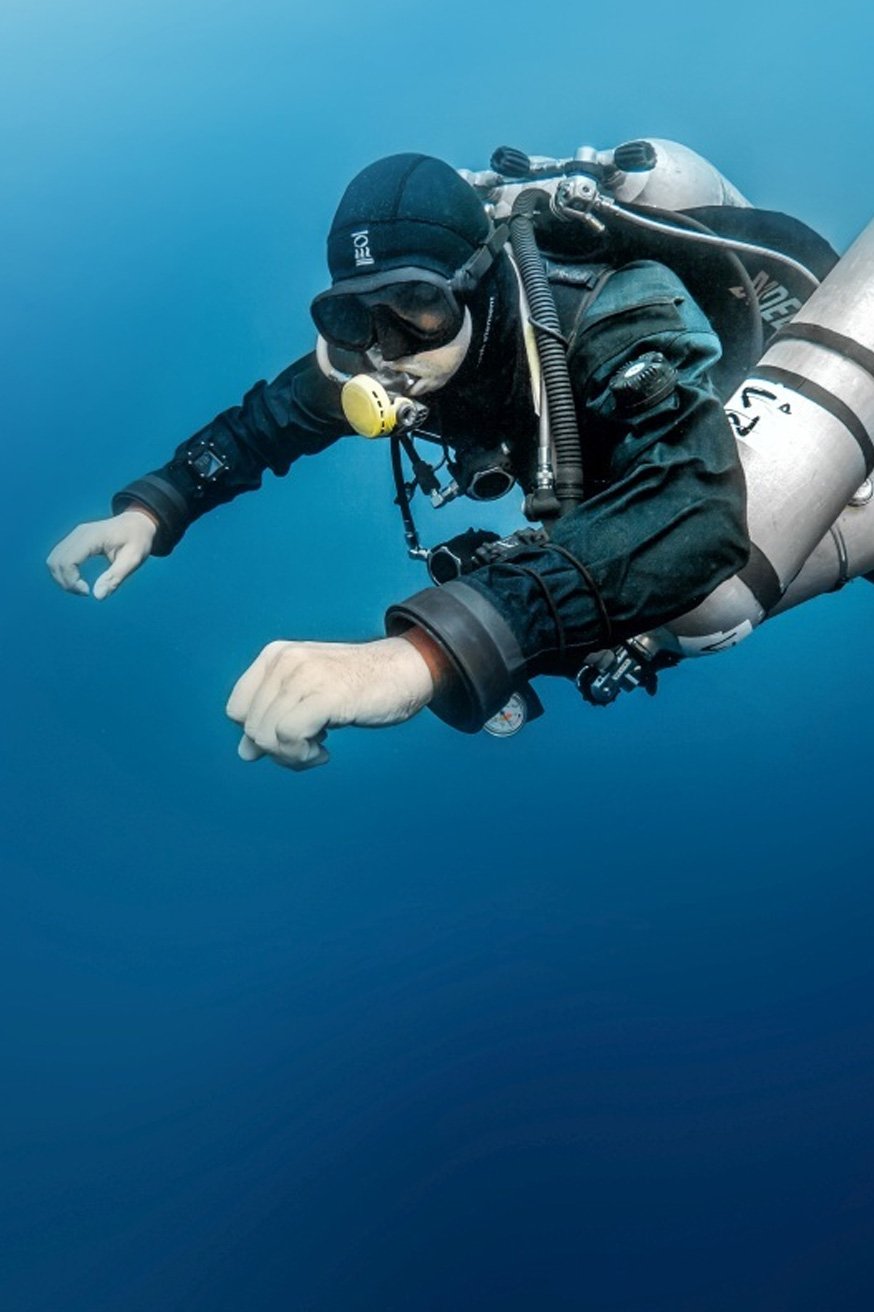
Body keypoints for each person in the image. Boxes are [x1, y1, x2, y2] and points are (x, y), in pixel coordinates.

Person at [48, 145, 829, 770]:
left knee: (715, 610)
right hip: (599, 476)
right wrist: (154, 507)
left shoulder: (614, 308)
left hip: (757, 430)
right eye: (354, 316)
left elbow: (694, 507)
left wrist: (420, 656)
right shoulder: (374, 356)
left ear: (479, 283)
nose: (386, 353)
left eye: (419, 307)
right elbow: (267, 423)